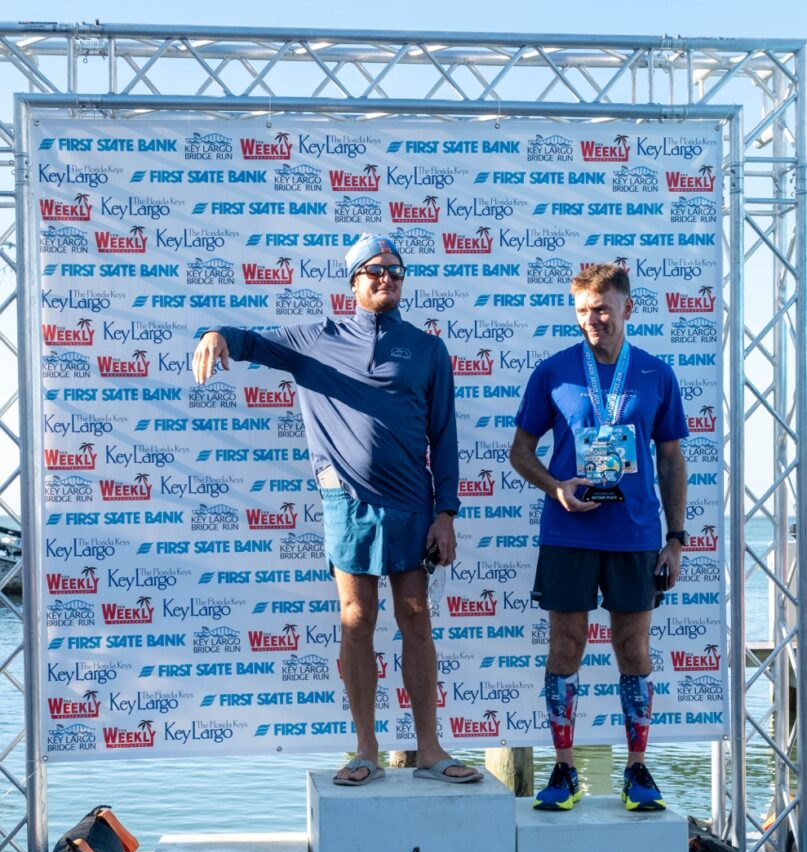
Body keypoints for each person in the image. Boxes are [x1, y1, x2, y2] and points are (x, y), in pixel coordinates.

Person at [192, 233, 482, 786]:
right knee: (356, 620)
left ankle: (429, 748)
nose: (386, 279)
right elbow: (246, 340)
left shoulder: (427, 349)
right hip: (346, 502)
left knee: (416, 620)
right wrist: (212, 335)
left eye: (396, 272)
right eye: (374, 271)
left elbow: (444, 437)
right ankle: (365, 748)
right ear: (353, 281)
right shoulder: (314, 339)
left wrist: (447, 512)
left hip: (413, 504)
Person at [509, 263, 688, 812]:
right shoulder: (554, 372)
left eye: (604, 308)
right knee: (565, 646)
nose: (594, 319)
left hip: (635, 536)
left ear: (628, 309)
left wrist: (676, 537)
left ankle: (637, 768)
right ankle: (564, 771)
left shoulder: (657, 375)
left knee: (633, 649)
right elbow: (520, 453)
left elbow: (671, 460)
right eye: (584, 310)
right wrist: (556, 486)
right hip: (569, 532)